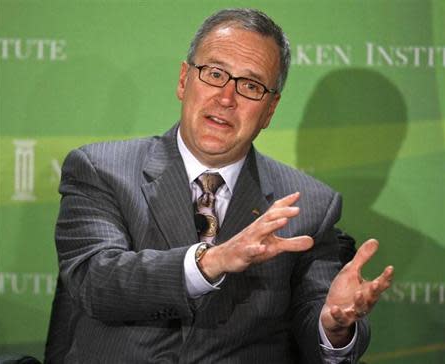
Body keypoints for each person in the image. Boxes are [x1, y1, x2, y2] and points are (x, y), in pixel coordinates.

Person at [45, 8, 393, 364]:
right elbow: (96, 282)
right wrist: (213, 260)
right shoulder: (102, 170)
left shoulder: (309, 207)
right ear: (184, 80)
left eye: (251, 86)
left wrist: (333, 327)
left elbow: (318, 319)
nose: (226, 98)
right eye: (215, 74)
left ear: (270, 110)